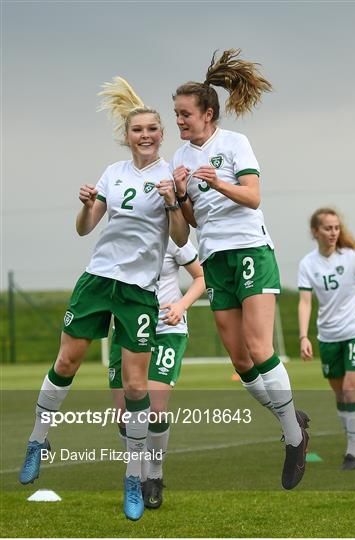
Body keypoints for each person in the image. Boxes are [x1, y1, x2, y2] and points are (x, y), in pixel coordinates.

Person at [18, 77, 189, 521]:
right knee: (66, 363)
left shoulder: (170, 177)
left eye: (153, 129)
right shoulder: (112, 173)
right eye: (138, 130)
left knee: (136, 387)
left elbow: (182, 235)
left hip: (138, 293)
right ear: (127, 136)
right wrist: (86, 203)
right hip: (97, 281)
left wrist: (172, 202)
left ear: (161, 134)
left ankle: (134, 477)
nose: (146, 135)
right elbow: (84, 228)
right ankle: (38, 439)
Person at [171, 49, 310, 490]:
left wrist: (217, 182)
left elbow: (252, 197)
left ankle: (293, 440)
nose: (179, 121)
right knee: (240, 358)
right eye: (176, 114)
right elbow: (193, 221)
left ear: (208, 114)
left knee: (259, 344)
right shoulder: (180, 156)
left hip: (250, 248)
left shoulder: (234, 144)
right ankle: (293, 419)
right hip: (215, 259)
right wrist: (180, 195)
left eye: (185, 114)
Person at [109, 238, 205, 509]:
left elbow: (200, 276)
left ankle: (154, 475)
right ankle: (135, 480)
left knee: (154, 408)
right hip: (128, 329)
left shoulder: (173, 237)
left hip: (166, 328)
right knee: (122, 413)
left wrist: (181, 306)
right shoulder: (120, 237)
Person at [298, 208, 355, 470]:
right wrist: (304, 336)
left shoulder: (352, 257)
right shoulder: (308, 264)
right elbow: (305, 302)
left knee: (351, 389)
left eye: (336, 227)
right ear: (316, 231)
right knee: (340, 395)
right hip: (328, 336)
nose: (333, 232)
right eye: (328, 228)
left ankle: (352, 451)